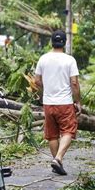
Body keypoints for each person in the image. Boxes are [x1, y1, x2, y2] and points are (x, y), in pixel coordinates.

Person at [34, 30, 81, 176]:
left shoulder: (43, 59)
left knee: (52, 134)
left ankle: (57, 162)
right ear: (65, 42)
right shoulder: (69, 60)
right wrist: (78, 101)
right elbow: (74, 82)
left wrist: (46, 88)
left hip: (48, 103)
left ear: (51, 42)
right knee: (68, 130)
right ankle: (59, 158)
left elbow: (36, 81)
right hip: (65, 103)